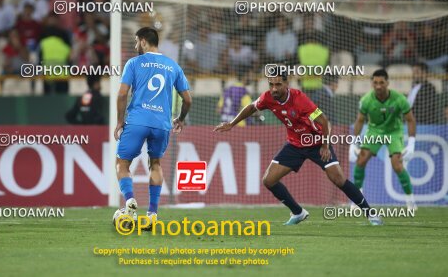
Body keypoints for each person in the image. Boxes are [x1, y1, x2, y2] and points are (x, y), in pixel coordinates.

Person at [214, 73, 382, 226]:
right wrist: (232, 124)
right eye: (271, 84)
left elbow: (324, 121)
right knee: (268, 180)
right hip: (295, 144)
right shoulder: (267, 97)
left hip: (316, 142)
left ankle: (371, 214)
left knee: (338, 179)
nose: (274, 88)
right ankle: (298, 212)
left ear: (286, 84)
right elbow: (251, 107)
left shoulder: (300, 99)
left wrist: (325, 145)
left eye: (278, 84)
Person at [114, 27, 192, 229]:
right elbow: (188, 99)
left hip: (137, 121)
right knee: (155, 164)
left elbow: (122, 94)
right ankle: (152, 215)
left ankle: (130, 201)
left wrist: (119, 121)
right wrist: (180, 119)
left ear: (143, 41)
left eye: (136, 41)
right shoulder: (173, 66)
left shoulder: (133, 63)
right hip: (162, 124)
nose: (135, 46)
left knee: (122, 164)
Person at [350, 69, 417, 211]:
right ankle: (358, 198)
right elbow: (360, 121)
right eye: (375, 83)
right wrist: (353, 142)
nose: (378, 86)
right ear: (372, 84)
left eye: (381, 82)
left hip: (394, 131)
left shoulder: (399, 99)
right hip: (374, 131)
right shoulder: (366, 100)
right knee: (361, 160)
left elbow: (410, 120)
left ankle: (410, 200)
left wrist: (411, 143)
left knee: (397, 165)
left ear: (387, 83)